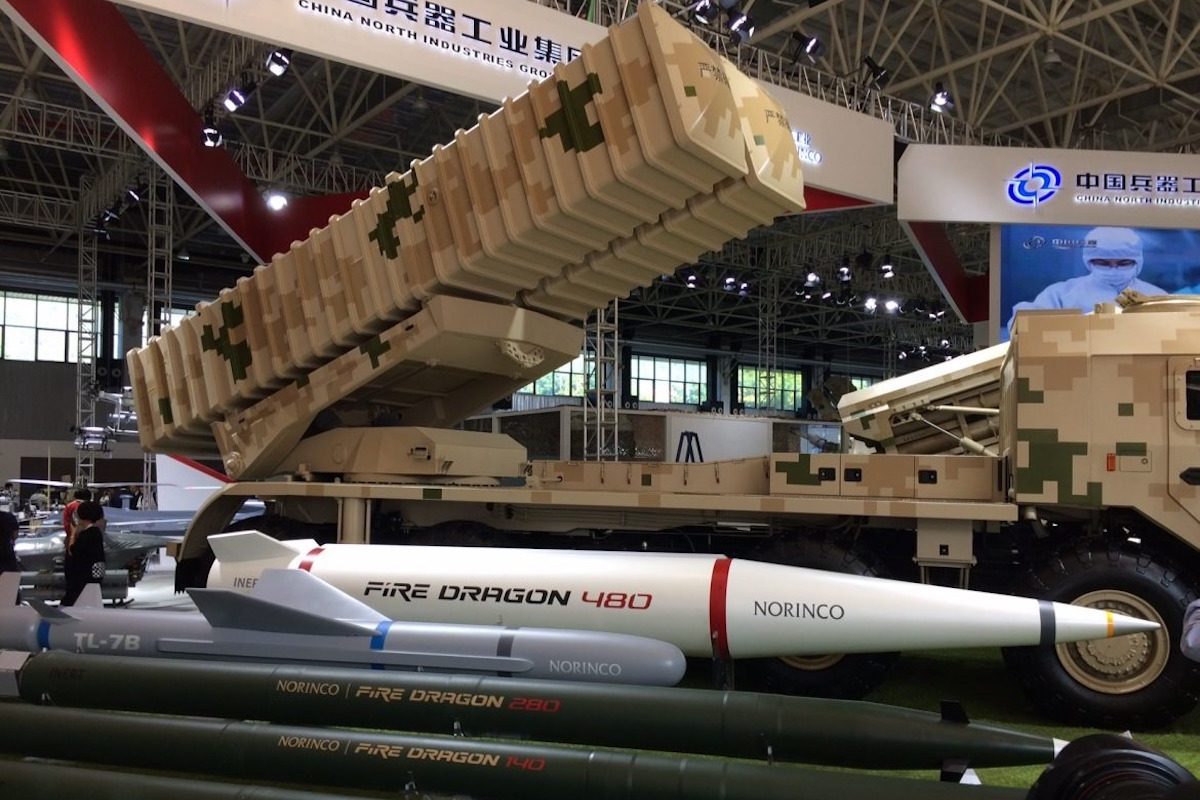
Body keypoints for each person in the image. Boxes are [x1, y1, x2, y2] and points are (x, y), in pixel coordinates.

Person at [1009, 227, 1166, 328]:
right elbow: (1023, 326)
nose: (1113, 269)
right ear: (1088, 261)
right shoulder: (1061, 294)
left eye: (1123, 263)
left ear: (1138, 261)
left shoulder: (1157, 297)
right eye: (1103, 263)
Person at [62, 500, 105, 607]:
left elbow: (73, 551)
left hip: (83, 578)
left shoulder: (88, 534)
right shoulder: (95, 533)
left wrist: (73, 534)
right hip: (91, 576)